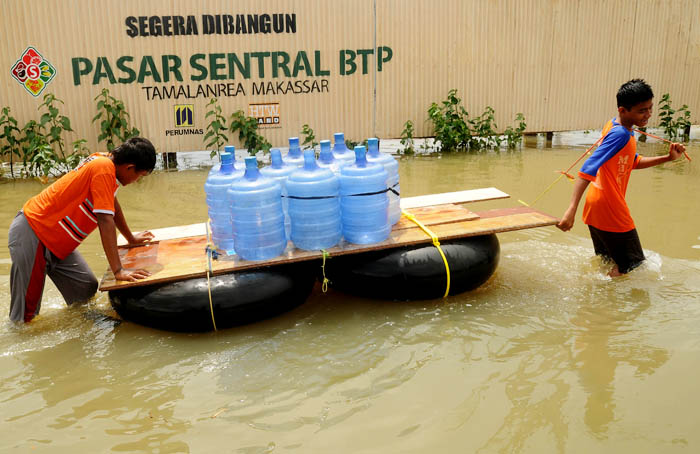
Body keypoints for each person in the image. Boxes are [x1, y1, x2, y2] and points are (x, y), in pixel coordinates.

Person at [8, 137, 157, 323]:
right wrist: (118, 270)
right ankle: (21, 344)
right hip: (35, 232)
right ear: (129, 167)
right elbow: (105, 219)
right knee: (25, 316)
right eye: (140, 176)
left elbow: (112, 205)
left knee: (85, 288)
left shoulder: (106, 164)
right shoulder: (103, 169)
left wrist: (130, 237)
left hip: (56, 240)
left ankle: (76, 325)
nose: (136, 181)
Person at [557, 79, 686, 276]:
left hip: (596, 208)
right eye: (642, 110)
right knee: (634, 268)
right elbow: (588, 167)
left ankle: (596, 303)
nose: (648, 115)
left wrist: (668, 157)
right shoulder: (621, 135)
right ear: (623, 110)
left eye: (650, 108)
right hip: (611, 210)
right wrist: (571, 209)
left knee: (609, 265)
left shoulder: (616, 125)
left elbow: (631, 162)